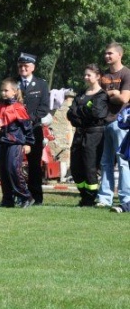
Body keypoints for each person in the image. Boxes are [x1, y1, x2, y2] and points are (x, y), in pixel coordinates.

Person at [66, 64, 108, 207]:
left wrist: (79, 111)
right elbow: (70, 113)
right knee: (76, 167)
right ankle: (83, 195)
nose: (85, 77)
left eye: (89, 75)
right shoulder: (81, 94)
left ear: (98, 77)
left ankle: (90, 199)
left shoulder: (101, 95)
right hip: (79, 133)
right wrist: (84, 110)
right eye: (85, 75)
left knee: (89, 167)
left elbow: (97, 113)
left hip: (94, 134)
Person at [96, 43, 130, 210]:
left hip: (121, 123)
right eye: (105, 53)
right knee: (105, 162)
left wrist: (108, 95)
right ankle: (105, 198)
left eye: (110, 53)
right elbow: (96, 97)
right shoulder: (103, 76)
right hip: (104, 122)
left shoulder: (126, 74)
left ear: (119, 55)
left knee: (123, 161)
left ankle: (126, 198)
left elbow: (124, 98)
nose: (107, 56)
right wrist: (112, 94)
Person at [0, 78, 35, 208]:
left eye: (6, 90)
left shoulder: (18, 107)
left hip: (15, 142)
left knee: (13, 169)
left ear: (15, 92)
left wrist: (28, 143)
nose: (3, 93)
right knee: (4, 172)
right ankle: (7, 199)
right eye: (2, 90)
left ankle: (26, 196)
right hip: (3, 142)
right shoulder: (0, 107)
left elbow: (27, 127)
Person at [15, 52, 50, 205]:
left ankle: (36, 197)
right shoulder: (12, 83)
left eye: (26, 66)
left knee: (34, 165)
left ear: (33, 67)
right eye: (20, 66)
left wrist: (29, 120)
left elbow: (44, 108)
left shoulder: (41, 84)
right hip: (15, 130)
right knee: (14, 164)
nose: (23, 68)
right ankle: (18, 195)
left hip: (33, 130)